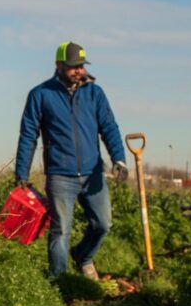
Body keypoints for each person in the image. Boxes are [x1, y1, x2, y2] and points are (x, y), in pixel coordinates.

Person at [14, 41, 127, 281]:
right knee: (61, 229)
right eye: (73, 66)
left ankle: (83, 256)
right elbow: (28, 135)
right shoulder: (41, 94)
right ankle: (61, 283)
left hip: (93, 172)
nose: (79, 70)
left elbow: (109, 127)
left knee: (103, 224)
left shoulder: (95, 93)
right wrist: (21, 173)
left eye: (81, 66)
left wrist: (119, 158)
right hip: (60, 175)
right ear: (59, 65)